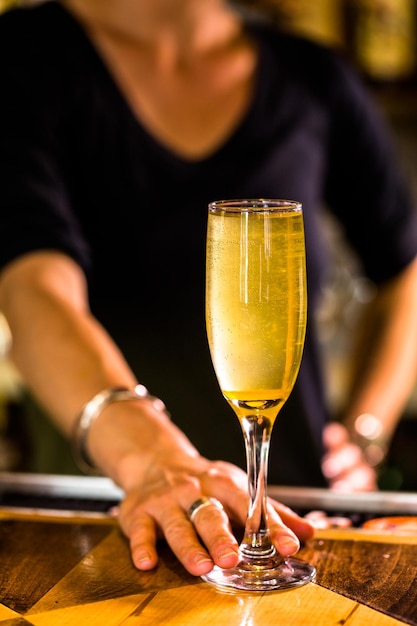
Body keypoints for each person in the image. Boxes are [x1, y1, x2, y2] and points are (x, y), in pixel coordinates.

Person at [1, 0, 417, 574]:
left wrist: (365, 431)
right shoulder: (23, 56)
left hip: (295, 522)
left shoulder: (311, 74)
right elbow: (32, 289)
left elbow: (406, 267)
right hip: (115, 518)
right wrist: (151, 459)